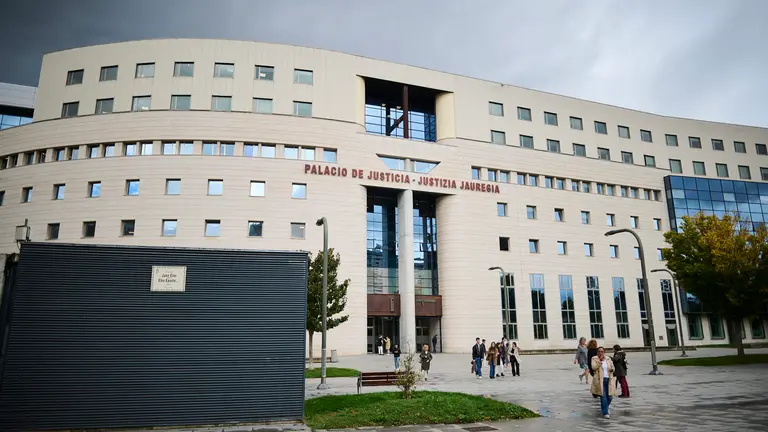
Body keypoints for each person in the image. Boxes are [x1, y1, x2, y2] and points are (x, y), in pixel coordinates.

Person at [590, 346, 616, 419]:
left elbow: (613, 367)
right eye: (599, 351)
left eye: (602, 351)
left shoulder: (608, 359)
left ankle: (606, 407)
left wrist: (612, 369)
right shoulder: (594, 358)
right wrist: (600, 362)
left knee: (610, 397)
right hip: (599, 380)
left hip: (609, 379)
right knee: (603, 396)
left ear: (604, 352)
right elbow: (593, 367)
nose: (600, 353)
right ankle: (605, 413)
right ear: (597, 352)